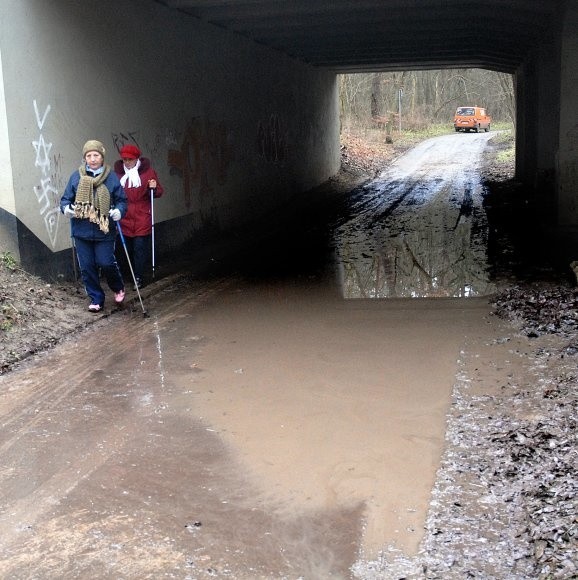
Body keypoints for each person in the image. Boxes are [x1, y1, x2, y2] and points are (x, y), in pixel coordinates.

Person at [60, 140, 127, 313]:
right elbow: (65, 199)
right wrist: (67, 209)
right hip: (81, 231)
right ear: (84, 158)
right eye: (88, 156)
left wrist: (119, 211)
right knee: (87, 267)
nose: (92, 159)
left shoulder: (111, 177)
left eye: (96, 155)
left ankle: (117, 286)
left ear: (102, 157)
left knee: (105, 262)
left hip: (104, 230)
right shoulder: (76, 177)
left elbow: (121, 200)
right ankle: (96, 299)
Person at [113, 144, 164, 289]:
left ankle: (139, 276)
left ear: (136, 159)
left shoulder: (148, 173)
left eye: (130, 159)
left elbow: (159, 192)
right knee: (126, 250)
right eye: (124, 159)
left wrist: (153, 188)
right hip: (124, 216)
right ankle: (128, 274)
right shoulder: (117, 175)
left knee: (139, 248)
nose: (127, 162)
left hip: (142, 215)